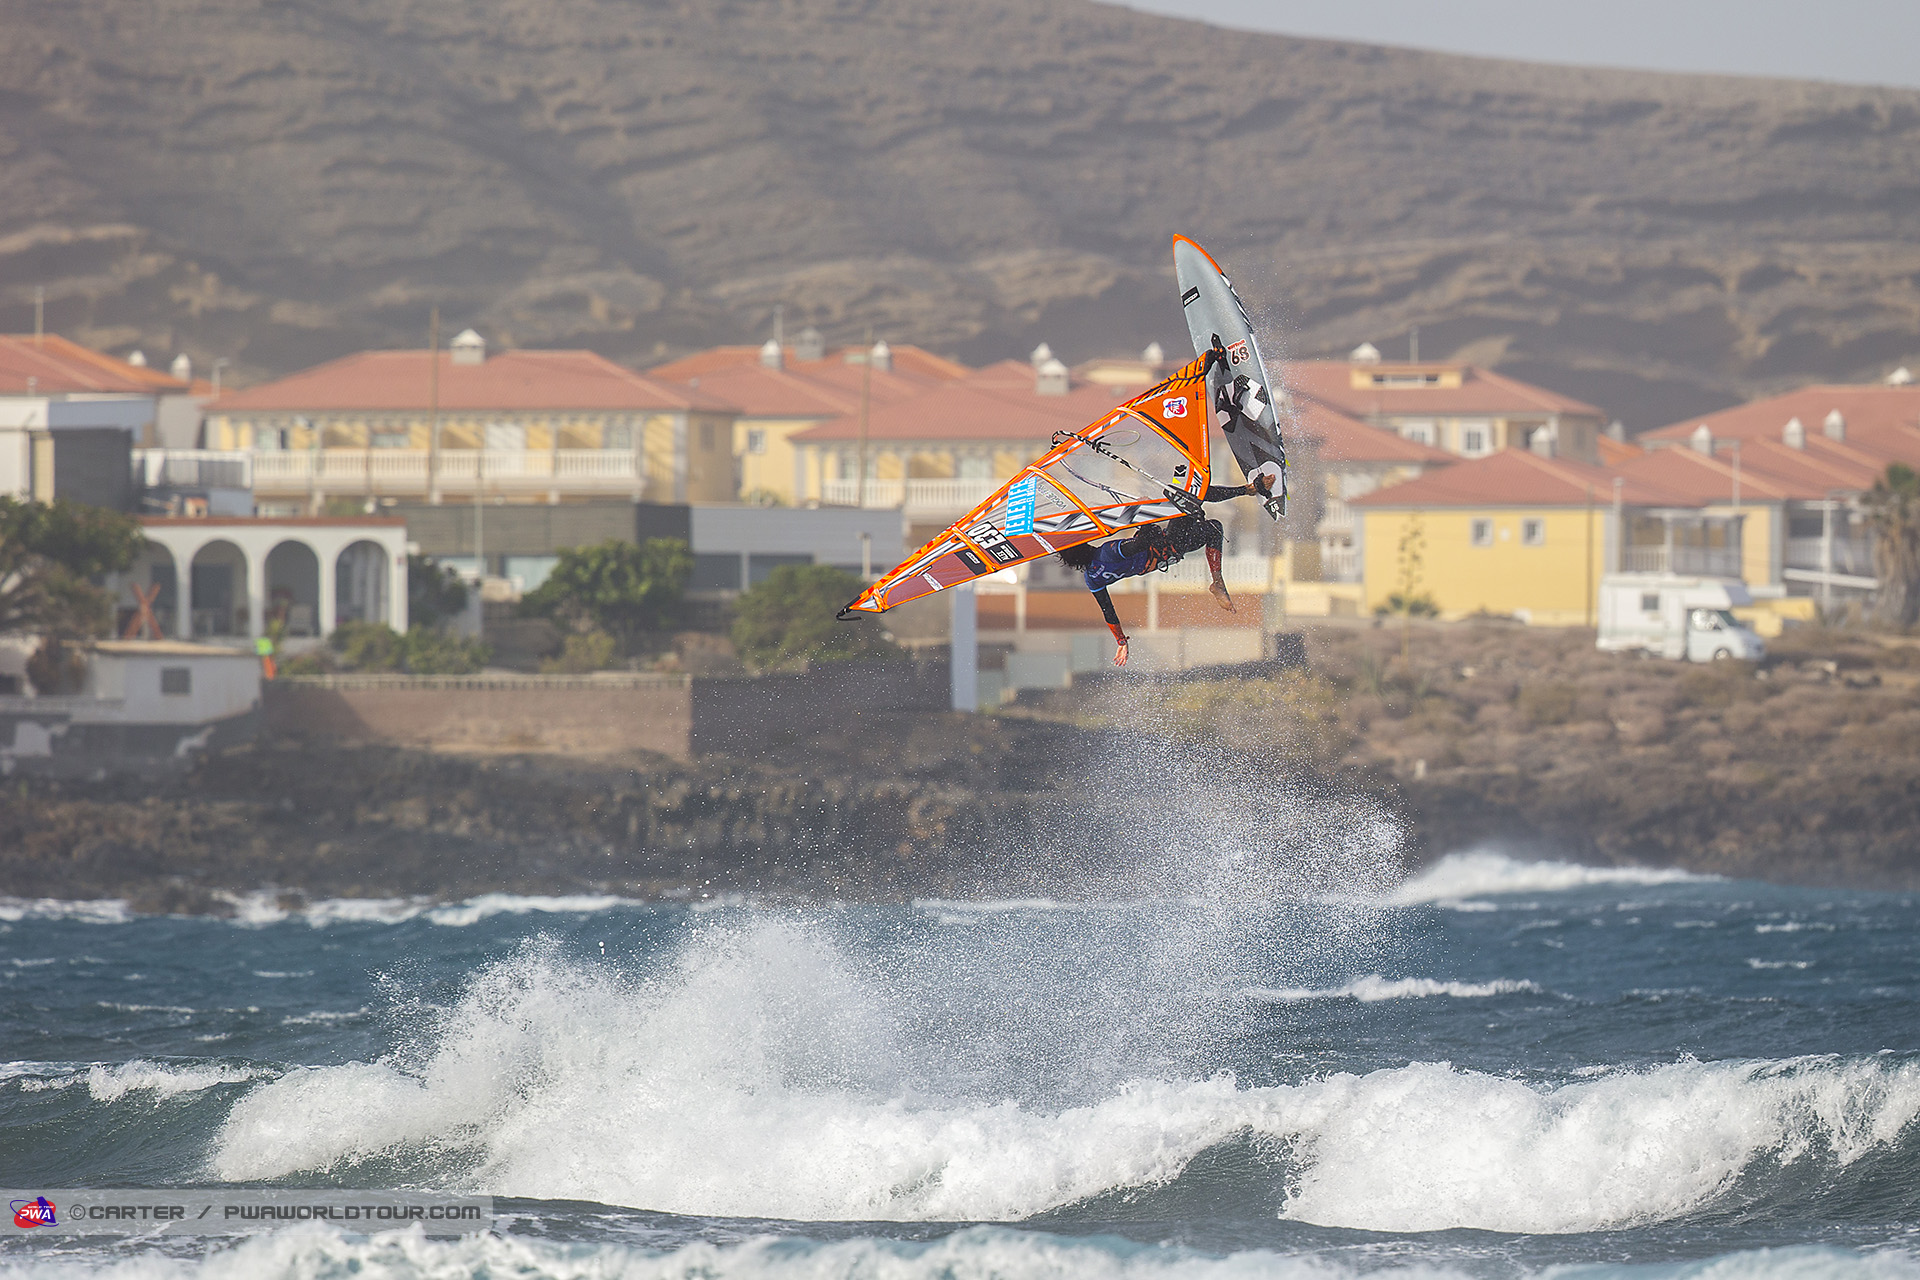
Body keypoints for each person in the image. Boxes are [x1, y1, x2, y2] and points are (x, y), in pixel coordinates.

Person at [1055, 469, 1278, 666]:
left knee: (1211, 525)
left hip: (1170, 553)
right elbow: (1146, 540)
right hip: (1169, 543)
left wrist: (1121, 641)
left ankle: (1218, 582)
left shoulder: (1092, 577)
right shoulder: (1108, 551)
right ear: (1082, 545)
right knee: (1187, 494)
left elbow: (1108, 611)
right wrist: (1143, 517)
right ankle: (1250, 490)